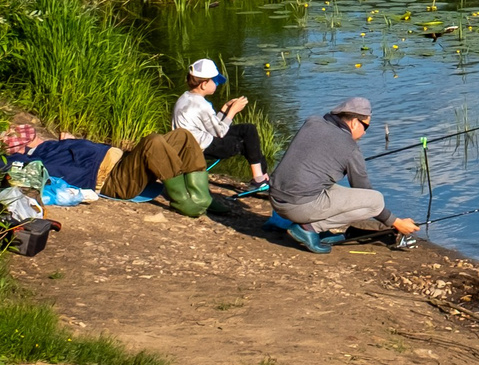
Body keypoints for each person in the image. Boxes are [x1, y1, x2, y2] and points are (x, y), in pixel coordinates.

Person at [269, 95, 417, 254]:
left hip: (275, 199)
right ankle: (309, 228)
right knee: (376, 200)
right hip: (296, 207)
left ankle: (302, 225)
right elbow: (365, 192)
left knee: (328, 185)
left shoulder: (312, 122)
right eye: (365, 127)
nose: (365, 133)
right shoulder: (351, 148)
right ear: (354, 122)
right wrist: (396, 222)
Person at [172, 59, 269, 187]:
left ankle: (260, 176)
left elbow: (209, 127)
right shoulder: (202, 105)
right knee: (245, 142)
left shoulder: (185, 97)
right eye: (215, 81)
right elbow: (220, 133)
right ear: (204, 84)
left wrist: (224, 110)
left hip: (192, 142)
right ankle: (260, 178)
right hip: (201, 147)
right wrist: (233, 112)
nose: (217, 85)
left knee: (248, 129)